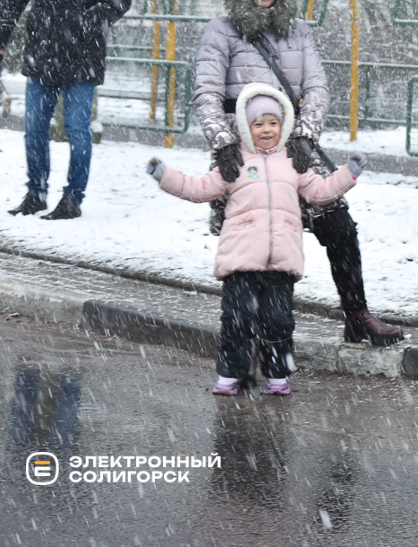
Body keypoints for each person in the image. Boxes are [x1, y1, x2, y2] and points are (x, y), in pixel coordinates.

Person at [194, 0, 402, 346]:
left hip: (293, 146)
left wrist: (304, 137)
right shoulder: (221, 31)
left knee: (339, 226)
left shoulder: (300, 31)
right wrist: (223, 142)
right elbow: (207, 92)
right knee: (252, 242)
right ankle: (247, 336)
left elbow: (319, 89)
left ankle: (356, 315)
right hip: (242, 149)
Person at [146, 83, 367, 396]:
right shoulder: (234, 163)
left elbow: (321, 192)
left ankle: (278, 375)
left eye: (273, 123)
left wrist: (349, 172)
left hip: (281, 262)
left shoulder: (293, 162)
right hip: (240, 260)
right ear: (246, 128)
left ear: (284, 125)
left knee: (278, 320)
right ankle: (229, 374)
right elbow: (199, 188)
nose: (266, 130)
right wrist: (164, 176)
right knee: (237, 319)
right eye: (258, 123)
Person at [2, 0, 133, 219]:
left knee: (77, 129)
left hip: (82, 54)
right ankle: (36, 191)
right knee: (33, 128)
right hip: (42, 52)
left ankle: (73, 197)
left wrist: (89, 20)